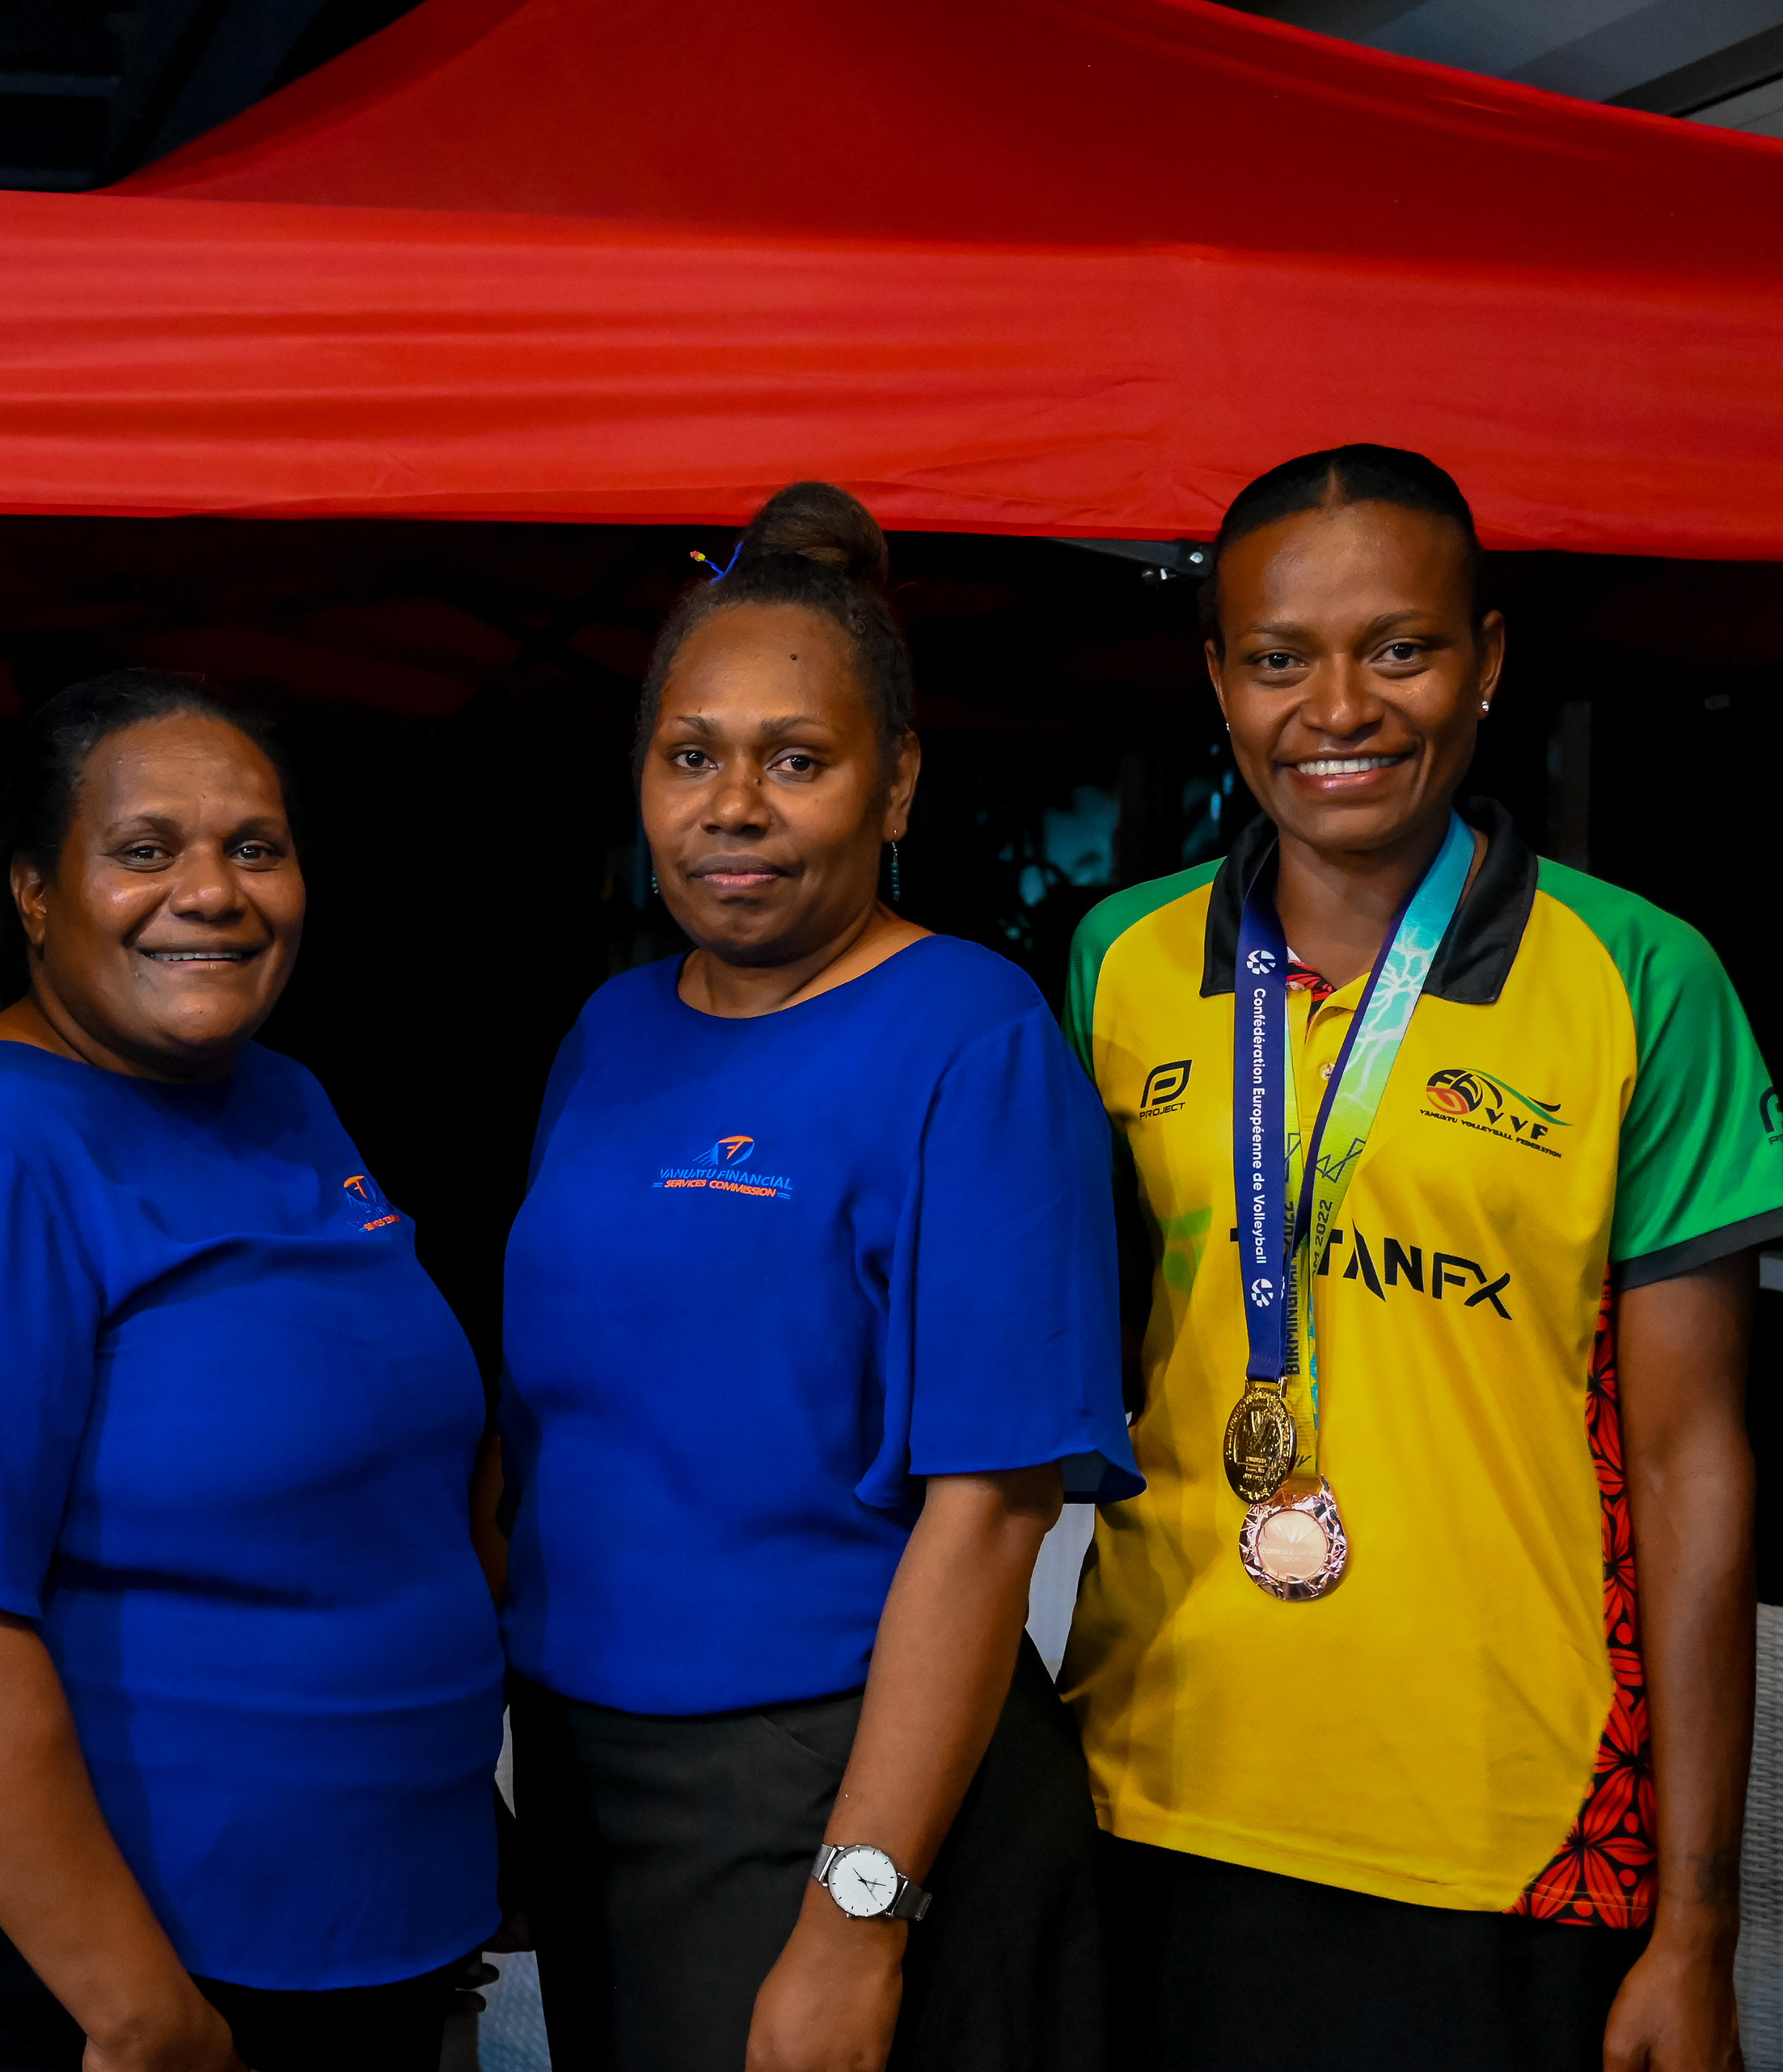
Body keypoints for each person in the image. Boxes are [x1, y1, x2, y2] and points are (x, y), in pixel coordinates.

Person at [1060, 445, 1781, 2072]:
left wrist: (1698, 1920)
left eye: (1400, 648)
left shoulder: (1642, 979)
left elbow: (1689, 1463)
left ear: (1490, 659)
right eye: (1277, 658)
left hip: (1505, 1835)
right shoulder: (1116, 963)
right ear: (1217, 680)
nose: (1340, 708)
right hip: (1147, 1790)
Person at [496, 482, 1138, 2072]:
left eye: (799, 759)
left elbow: (989, 1518)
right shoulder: (614, 1031)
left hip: (839, 1784)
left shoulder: (972, 1040)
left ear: (896, 781)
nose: (736, 805)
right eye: (691, 754)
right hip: (595, 1775)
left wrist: (858, 1912)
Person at [0, 670, 505, 2072]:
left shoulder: (286, 1098)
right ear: (35, 893)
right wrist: (135, 2004)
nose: (214, 890)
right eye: (143, 850)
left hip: (374, 1936)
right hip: (137, 1983)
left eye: (255, 845)